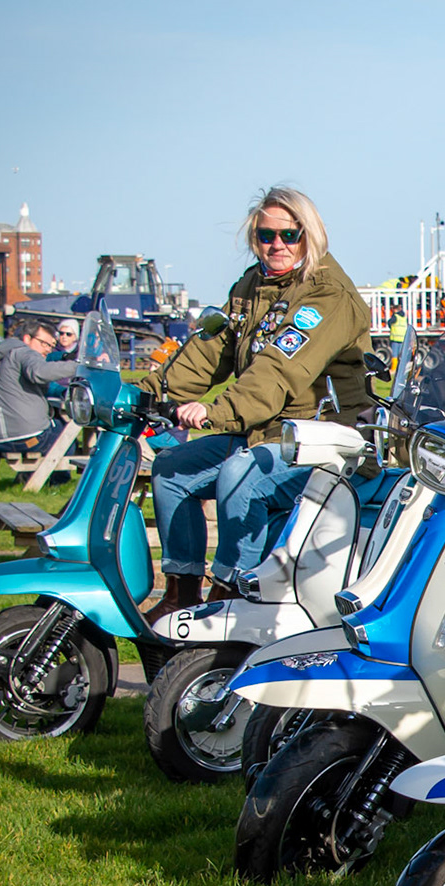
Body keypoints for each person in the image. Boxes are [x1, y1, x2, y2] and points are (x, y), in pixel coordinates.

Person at [142, 187, 371, 621]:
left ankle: (233, 601)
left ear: (310, 235)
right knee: (171, 470)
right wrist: (150, 392)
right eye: (266, 235)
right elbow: (209, 351)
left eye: (290, 235)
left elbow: (279, 370)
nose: (277, 245)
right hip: (264, 431)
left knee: (241, 476)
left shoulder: (326, 295)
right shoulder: (252, 286)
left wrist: (216, 411)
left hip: (321, 439)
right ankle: (181, 594)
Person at [0, 319, 77, 493]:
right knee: (65, 431)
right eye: (44, 344)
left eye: (51, 346)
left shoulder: (10, 354)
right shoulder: (25, 354)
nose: (48, 349)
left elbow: (43, 379)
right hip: (30, 440)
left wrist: (64, 359)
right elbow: (40, 372)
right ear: (27, 339)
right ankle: (58, 482)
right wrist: (79, 367)